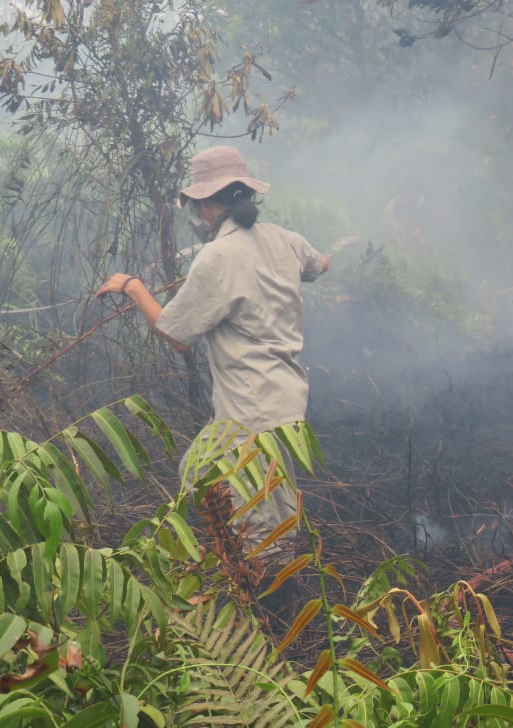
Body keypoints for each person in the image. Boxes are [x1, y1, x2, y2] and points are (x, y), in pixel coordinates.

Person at [96, 145, 329, 606]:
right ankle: (232, 571)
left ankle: (271, 614)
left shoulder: (217, 259)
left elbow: (176, 334)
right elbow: (321, 264)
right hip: (275, 398)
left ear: (205, 204)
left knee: (268, 518)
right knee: (197, 472)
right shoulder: (283, 239)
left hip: (254, 409)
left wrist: (132, 286)